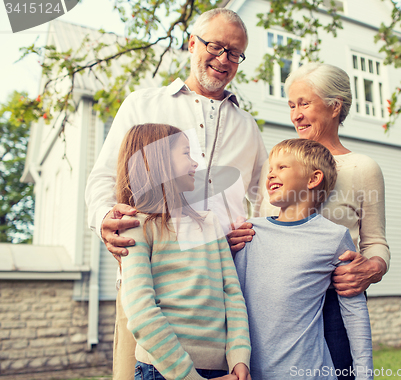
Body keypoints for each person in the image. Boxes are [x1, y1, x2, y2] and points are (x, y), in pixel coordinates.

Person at [84, 9, 267, 380]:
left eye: (235, 53)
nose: (224, 59)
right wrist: (106, 217)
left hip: (220, 296)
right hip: (149, 285)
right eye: (215, 47)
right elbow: (104, 176)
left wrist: (252, 234)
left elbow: (267, 200)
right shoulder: (142, 104)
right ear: (191, 44)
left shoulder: (247, 126)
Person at [228, 62, 390, 379]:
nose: (296, 115)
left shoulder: (362, 168)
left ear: (334, 106)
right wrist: (240, 239)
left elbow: (375, 241)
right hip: (277, 304)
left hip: (335, 300)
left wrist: (372, 268)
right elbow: (263, 224)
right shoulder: (278, 167)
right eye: (291, 105)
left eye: (304, 103)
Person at [116, 123, 251, 380]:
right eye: (186, 153)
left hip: (223, 371)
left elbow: (232, 294)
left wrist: (239, 359)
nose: (195, 164)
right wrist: (189, 377)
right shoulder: (136, 228)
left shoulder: (209, 223)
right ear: (156, 161)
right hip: (161, 371)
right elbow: (141, 311)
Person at [234, 139, 373, 380]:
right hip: (250, 374)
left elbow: (355, 314)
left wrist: (364, 375)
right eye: (270, 169)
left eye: (281, 167)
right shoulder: (248, 233)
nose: (270, 175)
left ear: (313, 179)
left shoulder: (334, 237)